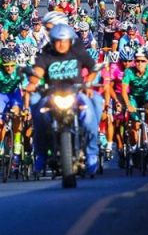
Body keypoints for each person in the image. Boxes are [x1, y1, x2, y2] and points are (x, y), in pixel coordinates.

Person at [26, 24, 101, 175]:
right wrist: (33, 83)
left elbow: (93, 68)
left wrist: (88, 84)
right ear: (52, 41)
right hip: (52, 94)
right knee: (36, 108)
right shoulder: (46, 55)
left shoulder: (77, 52)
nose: (61, 44)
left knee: (94, 108)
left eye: (65, 40)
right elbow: (38, 71)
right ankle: (40, 154)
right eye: (58, 41)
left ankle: (92, 153)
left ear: (70, 41)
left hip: (76, 93)